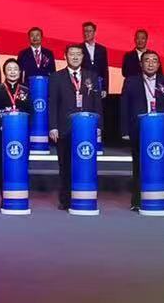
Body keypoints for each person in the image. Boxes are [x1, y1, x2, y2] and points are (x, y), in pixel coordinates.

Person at [48, 45, 103, 211]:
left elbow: (97, 104)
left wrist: (98, 126)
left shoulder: (92, 76)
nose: (75, 57)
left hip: (87, 130)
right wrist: (53, 127)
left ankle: (85, 197)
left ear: (83, 57)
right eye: (72, 54)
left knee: (85, 164)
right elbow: (52, 104)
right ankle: (65, 200)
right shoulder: (56, 77)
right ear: (65, 56)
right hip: (65, 128)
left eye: (78, 54)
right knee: (65, 166)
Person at [121, 51, 164, 211]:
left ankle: (158, 198)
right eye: (147, 60)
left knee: (158, 163)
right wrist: (125, 130)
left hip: (160, 131)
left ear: (159, 64)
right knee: (138, 166)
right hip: (139, 129)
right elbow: (124, 107)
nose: (150, 64)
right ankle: (137, 201)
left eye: (154, 61)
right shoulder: (131, 81)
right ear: (141, 64)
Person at [0, 58, 32, 198]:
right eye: (9, 69)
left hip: (20, 136)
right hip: (2, 134)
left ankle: (19, 193)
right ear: (4, 72)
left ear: (20, 72)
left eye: (15, 69)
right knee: (2, 164)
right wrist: (2, 126)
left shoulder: (25, 91)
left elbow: (30, 112)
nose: (12, 72)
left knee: (19, 163)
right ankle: (4, 195)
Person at [117, 29, 153, 142]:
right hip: (134, 89)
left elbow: (159, 72)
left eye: (143, 38)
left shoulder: (152, 55)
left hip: (151, 89)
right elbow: (124, 72)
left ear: (146, 40)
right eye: (138, 38)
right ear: (134, 40)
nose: (140, 40)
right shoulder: (129, 55)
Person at [76, 22, 111, 94]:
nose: (86, 34)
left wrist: (105, 89)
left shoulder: (102, 49)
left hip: (98, 85)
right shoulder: (78, 49)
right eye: (85, 31)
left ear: (95, 33)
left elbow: (105, 70)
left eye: (89, 31)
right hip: (83, 85)